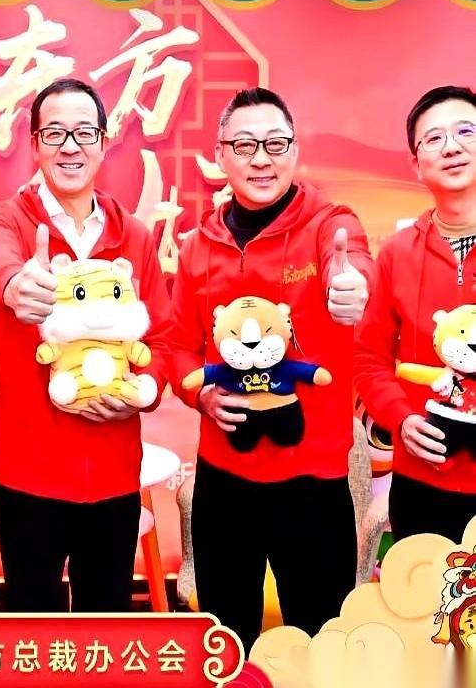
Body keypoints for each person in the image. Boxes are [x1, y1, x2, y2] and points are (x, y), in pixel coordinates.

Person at [171, 87, 373, 651]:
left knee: (321, 639)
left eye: (276, 144)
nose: (261, 159)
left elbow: (353, 263)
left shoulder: (330, 224)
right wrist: (199, 395)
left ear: (294, 150)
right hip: (224, 480)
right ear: (221, 155)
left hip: (312, 482)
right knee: (225, 639)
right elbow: (176, 346)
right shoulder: (197, 246)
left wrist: (351, 287)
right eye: (245, 145)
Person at [0, 78, 172, 612]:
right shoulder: (5, 220)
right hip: (27, 476)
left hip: (113, 474)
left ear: (103, 143)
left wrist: (145, 389)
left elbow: (164, 338)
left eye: (84, 132)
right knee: (32, 629)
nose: (70, 146)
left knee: (106, 627)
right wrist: (16, 283)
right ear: (35, 143)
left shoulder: (134, 236)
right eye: (55, 133)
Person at [355, 85, 476, 541]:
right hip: (424, 480)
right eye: (434, 138)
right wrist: (401, 418)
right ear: (416, 163)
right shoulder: (397, 253)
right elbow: (369, 359)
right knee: (425, 589)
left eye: (466, 131)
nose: (452, 147)